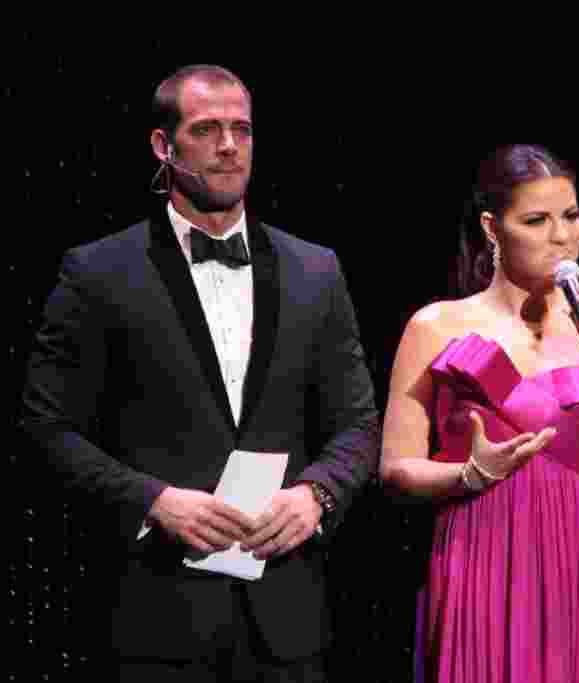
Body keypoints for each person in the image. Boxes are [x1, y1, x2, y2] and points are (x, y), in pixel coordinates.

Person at [19, 64, 379, 681]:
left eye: (241, 129)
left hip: (286, 619)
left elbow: (358, 423)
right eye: (207, 129)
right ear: (164, 146)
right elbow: (45, 429)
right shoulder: (100, 272)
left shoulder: (314, 270)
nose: (230, 146)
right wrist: (154, 500)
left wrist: (316, 495)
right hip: (154, 617)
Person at [379, 144, 579, 683]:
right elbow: (395, 469)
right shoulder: (436, 326)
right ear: (491, 227)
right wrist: (469, 473)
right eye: (537, 220)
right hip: (480, 547)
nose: (562, 237)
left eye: (571, 216)